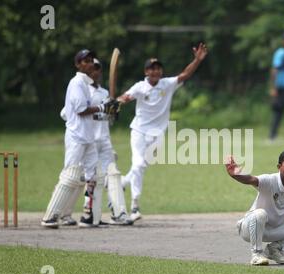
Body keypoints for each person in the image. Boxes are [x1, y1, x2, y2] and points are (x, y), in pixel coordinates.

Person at [117, 43, 208, 222]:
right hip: (139, 131)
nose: (155, 71)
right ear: (146, 72)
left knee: (142, 165)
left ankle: (122, 183)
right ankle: (135, 205)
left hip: (158, 133)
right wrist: (116, 102)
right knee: (137, 164)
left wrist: (196, 60)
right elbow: (125, 97)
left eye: (158, 68)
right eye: (152, 69)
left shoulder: (167, 84)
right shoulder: (139, 87)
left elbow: (185, 74)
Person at [42, 49, 119, 228]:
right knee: (70, 175)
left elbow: (90, 113)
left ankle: (89, 215)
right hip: (76, 137)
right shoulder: (76, 83)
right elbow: (80, 110)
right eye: (85, 61)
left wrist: (108, 111)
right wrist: (102, 107)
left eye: (91, 60)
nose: (90, 63)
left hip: (88, 138)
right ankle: (51, 216)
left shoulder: (85, 85)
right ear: (78, 64)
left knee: (95, 177)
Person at [59, 58, 132, 226]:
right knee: (80, 177)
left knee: (112, 175)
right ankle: (70, 214)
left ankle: (117, 213)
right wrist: (99, 112)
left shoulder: (105, 93)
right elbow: (66, 114)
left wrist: (113, 111)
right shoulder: (81, 89)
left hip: (104, 140)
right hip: (86, 140)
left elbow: (109, 118)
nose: (95, 71)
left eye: (98, 68)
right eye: (93, 68)